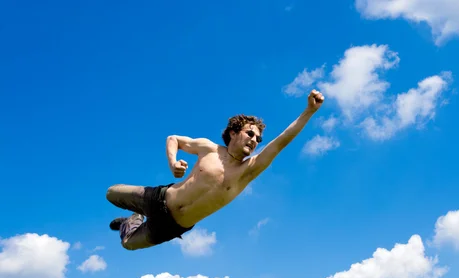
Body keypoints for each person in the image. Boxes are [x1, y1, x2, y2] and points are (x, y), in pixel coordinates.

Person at [106, 89, 325, 250]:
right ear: (233, 132)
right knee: (111, 193)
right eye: (250, 134)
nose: (255, 140)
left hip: (171, 227)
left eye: (258, 138)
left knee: (128, 244)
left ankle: (131, 221)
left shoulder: (248, 170)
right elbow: (173, 138)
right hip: (158, 199)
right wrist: (173, 163)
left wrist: (309, 111)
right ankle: (138, 211)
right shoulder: (208, 148)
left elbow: (280, 142)